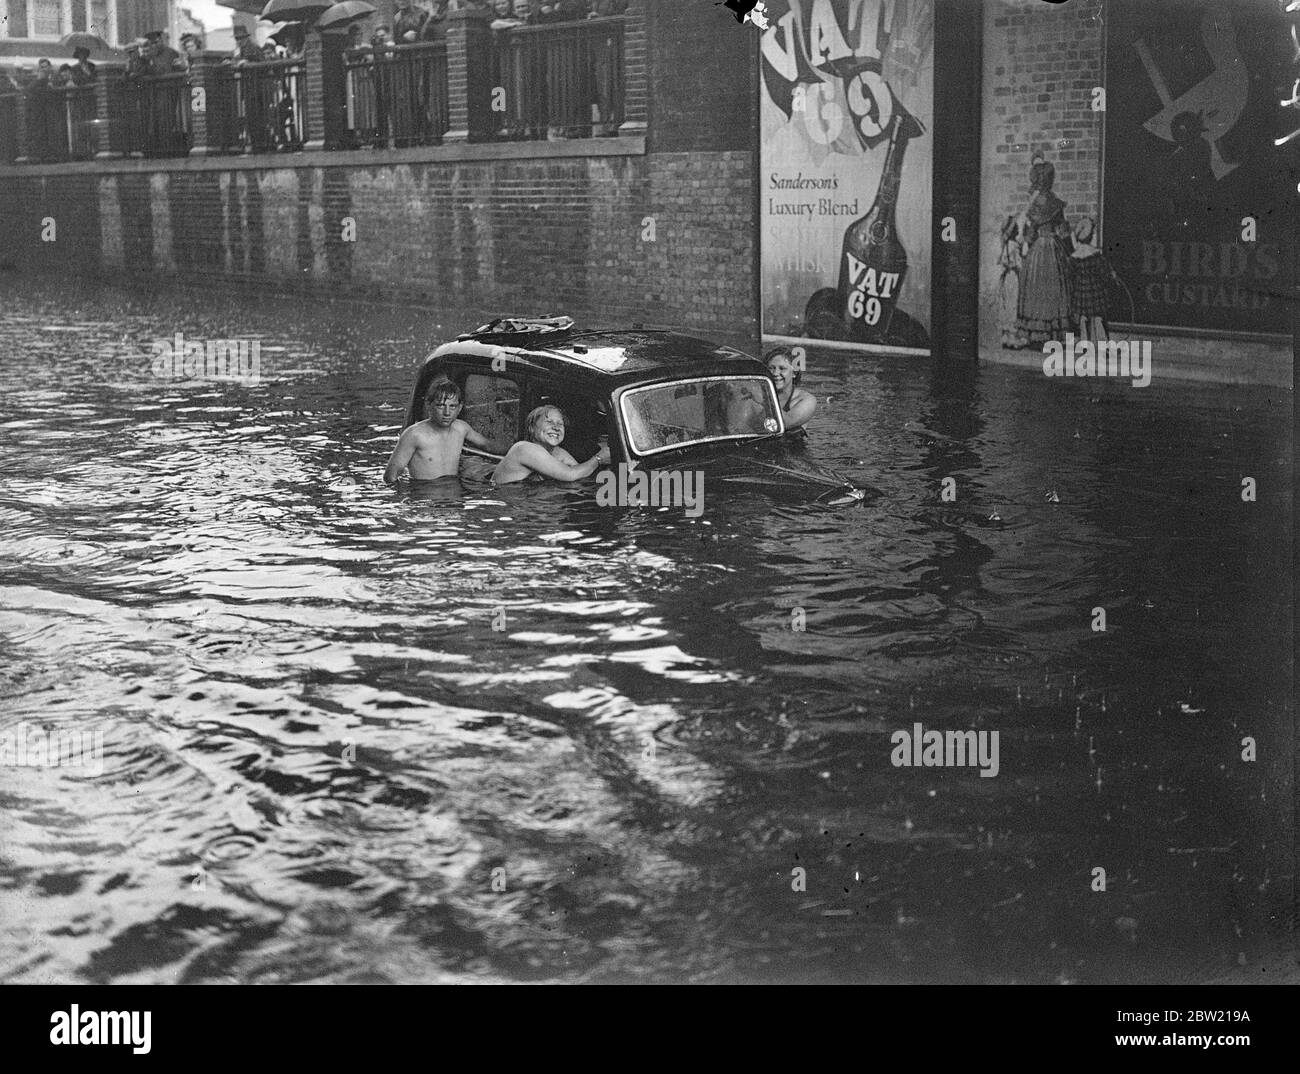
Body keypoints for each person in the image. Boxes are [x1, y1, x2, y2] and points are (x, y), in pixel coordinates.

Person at [385, 380, 502, 483]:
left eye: (452, 406)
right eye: (440, 406)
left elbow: (488, 445)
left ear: (460, 407)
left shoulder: (461, 428)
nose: (447, 412)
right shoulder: (414, 434)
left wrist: (515, 449)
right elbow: (391, 476)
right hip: (425, 496)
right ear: (428, 405)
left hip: (453, 493)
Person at [1014, 154, 1073, 347]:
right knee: (1054, 290)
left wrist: (1025, 245)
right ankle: (1052, 334)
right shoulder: (1055, 202)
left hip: (1038, 250)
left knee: (1035, 288)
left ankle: (1035, 334)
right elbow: (1063, 230)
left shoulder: (1034, 204)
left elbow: (1031, 231)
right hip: (1053, 248)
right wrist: (1070, 251)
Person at [492, 405, 609, 484]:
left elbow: (580, 475)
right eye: (549, 422)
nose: (556, 427)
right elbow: (571, 475)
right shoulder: (524, 449)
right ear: (532, 428)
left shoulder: (556, 452)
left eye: (560, 424)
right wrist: (599, 458)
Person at [1069, 216, 1119, 342]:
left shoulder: (1074, 257)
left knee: (1083, 318)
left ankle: (1085, 344)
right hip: (1096, 293)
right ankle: (1105, 345)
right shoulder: (1096, 255)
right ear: (1091, 236)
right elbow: (1104, 274)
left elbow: (1070, 275)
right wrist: (1112, 277)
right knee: (1099, 318)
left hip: (1080, 293)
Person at [764, 348, 816, 430]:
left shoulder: (807, 400)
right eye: (771, 368)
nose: (775, 373)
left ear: (794, 373)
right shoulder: (756, 395)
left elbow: (786, 423)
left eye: (782, 368)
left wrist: (762, 401)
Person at [997, 214, 1028, 349]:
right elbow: (1018, 264)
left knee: (1005, 304)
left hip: (1005, 278)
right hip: (1013, 277)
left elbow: (1001, 261)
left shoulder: (1004, 245)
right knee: (1013, 304)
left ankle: (1004, 335)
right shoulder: (1014, 246)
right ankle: (1012, 336)